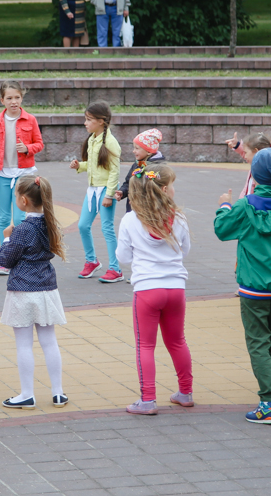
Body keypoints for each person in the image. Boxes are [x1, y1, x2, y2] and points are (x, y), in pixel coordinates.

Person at [214, 148, 271, 425]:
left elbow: (222, 229)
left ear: (253, 175)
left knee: (258, 342)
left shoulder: (244, 206)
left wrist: (224, 206)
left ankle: (268, 403)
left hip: (254, 287)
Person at [115, 166, 193, 415]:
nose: (174, 189)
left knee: (145, 346)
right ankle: (185, 392)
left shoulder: (130, 220)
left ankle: (148, 400)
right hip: (176, 288)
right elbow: (185, 250)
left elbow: (123, 257)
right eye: (173, 185)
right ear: (164, 189)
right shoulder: (178, 218)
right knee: (177, 341)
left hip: (147, 289)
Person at [0, 175, 68, 410]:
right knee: (49, 342)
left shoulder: (22, 230)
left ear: (24, 200)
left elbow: (5, 260)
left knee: (24, 345)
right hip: (46, 287)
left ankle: (27, 394)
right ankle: (58, 392)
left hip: (22, 290)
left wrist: (7, 238)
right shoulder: (50, 224)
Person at [0, 81, 43, 276]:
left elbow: (39, 143)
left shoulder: (30, 120)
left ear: (22, 98)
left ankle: (19, 256)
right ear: (2, 100)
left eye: (17, 97)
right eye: (9, 98)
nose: (13, 101)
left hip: (23, 174)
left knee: (19, 217)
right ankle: (5, 259)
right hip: (3, 174)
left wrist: (28, 148)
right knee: (3, 217)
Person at [70, 101, 123, 283]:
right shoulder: (92, 138)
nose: (85, 123)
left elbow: (114, 171)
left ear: (101, 121)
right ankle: (91, 261)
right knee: (83, 225)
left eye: (89, 119)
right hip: (92, 190)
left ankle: (115, 269)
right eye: (85, 119)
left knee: (107, 228)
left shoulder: (111, 142)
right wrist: (80, 166)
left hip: (105, 190)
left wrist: (109, 195)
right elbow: (95, 165)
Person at [115, 128, 166, 213]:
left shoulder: (157, 168)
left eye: (137, 148)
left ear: (148, 151)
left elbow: (155, 190)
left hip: (149, 210)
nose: (133, 151)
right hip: (133, 208)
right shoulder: (137, 164)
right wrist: (122, 191)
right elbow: (129, 182)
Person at [223, 132, 271, 198]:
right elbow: (250, 154)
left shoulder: (263, 172)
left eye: (246, 153)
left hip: (251, 203)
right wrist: (237, 145)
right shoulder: (260, 163)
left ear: (256, 152)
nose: (245, 156)